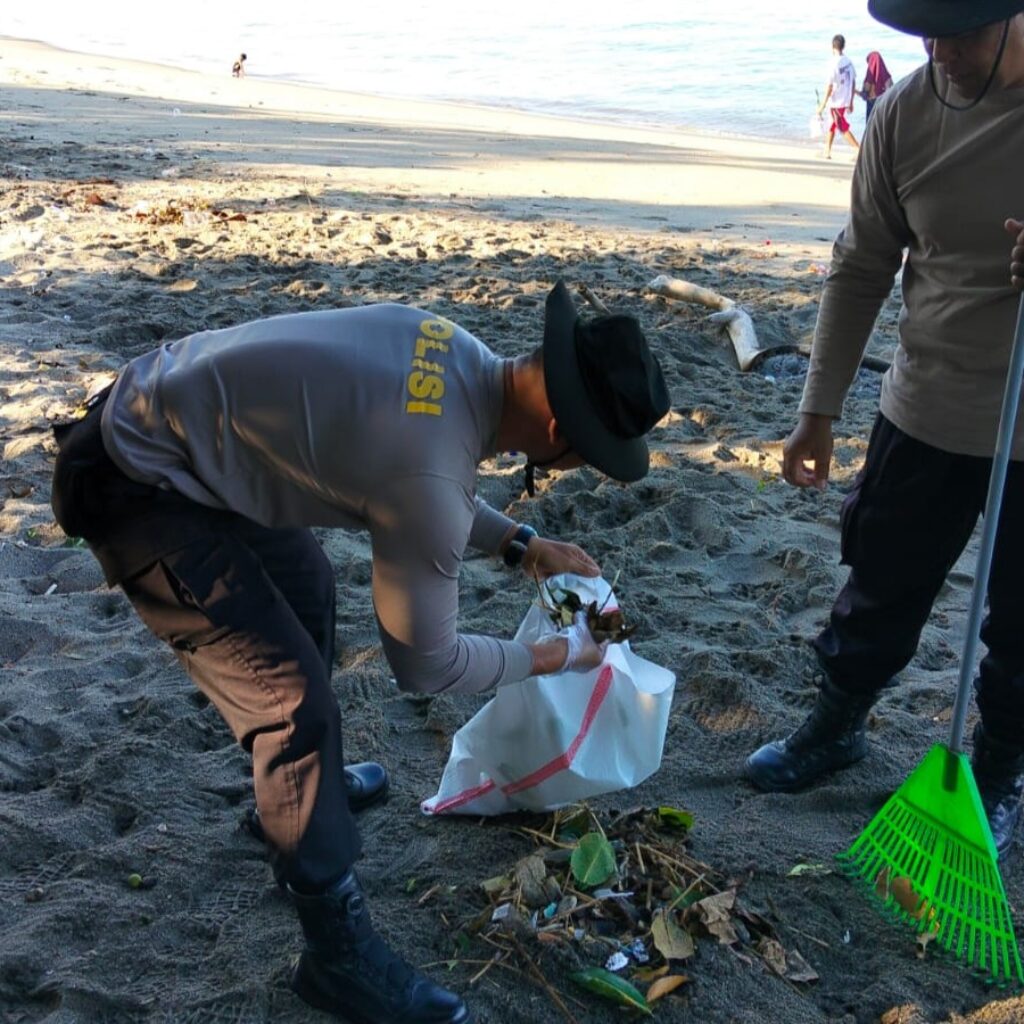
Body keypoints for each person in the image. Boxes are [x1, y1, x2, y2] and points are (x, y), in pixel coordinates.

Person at [49, 282, 670, 1024]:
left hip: (175, 428)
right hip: (131, 484)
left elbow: (416, 471)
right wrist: (557, 656)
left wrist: (522, 543)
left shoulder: (449, 347)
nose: (578, 467)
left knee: (308, 586)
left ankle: (299, 803)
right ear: (557, 426)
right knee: (290, 708)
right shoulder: (430, 473)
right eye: (587, 455)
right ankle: (334, 953)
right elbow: (426, 665)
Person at [745, 0, 1024, 862]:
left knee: (1021, 632)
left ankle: (997, 778)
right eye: (924, 34)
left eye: (962, 32)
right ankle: (835, 727)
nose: (940, 52)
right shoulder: (905, 109)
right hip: (927, 408)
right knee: (879, 585)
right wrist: (816, 412)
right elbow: (861, 261)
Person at [817, 33, 861, 158]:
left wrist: (822, 105)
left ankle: (858, 149)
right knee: (832, 124)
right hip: (845, 99)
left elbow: (829, 87)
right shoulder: (848, 62)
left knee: (841, 126)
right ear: (843, 46)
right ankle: (827, 151)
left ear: (832, 47)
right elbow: (853, 81)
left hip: (837, 101)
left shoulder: (833, 64)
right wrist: (851, 101)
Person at [859, 50, 894, 119]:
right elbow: (891, 94)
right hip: (884, 107)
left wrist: (853, 90)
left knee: (871, 128)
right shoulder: (888, 77)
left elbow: (864, 94)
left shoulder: (869, 78)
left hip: (872, 107)